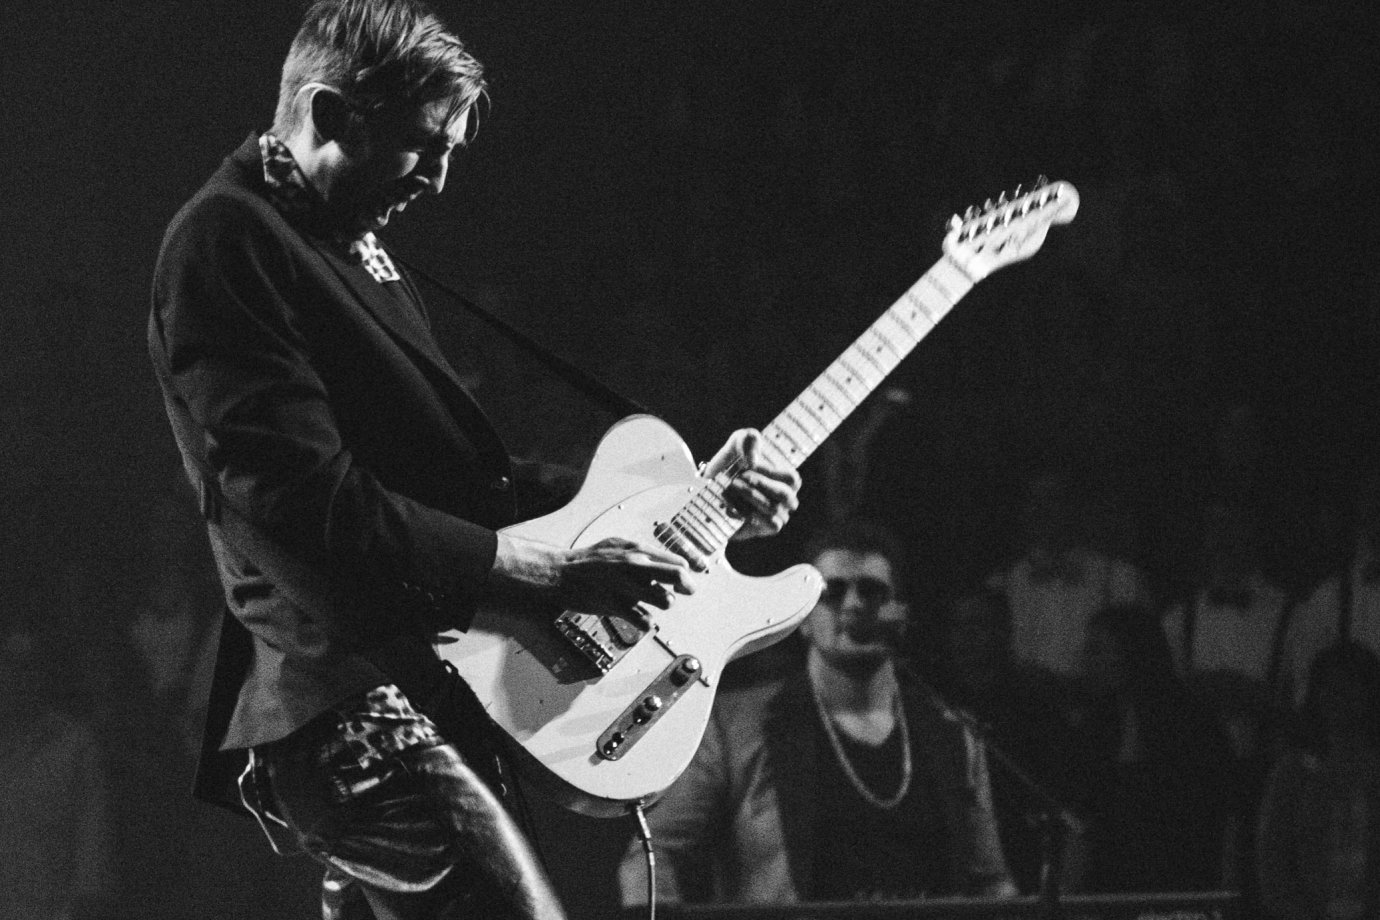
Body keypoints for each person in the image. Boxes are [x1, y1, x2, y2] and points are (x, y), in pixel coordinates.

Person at [146, 2, 801, 918]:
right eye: (424, 144)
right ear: (331, 115)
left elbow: (464, 486)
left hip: (417, 687)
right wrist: (545, 574)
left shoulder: (347, 246)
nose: (441, 177)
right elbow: (301, 500)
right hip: (346, 698)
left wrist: (690, 501)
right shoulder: (230, 239)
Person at [617, 520, 1017, 905]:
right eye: (833, 592)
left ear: (901, 612)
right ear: (804, 619)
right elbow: (654, 856)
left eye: (873, 591)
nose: (855, 604)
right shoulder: (736, 726)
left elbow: (991, 881)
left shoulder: (951, 731)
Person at [1067, 603, 1235, 893]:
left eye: (1097, 649)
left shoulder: (1191, 723)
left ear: (1132, 654)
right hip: (1111, 888)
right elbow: (1083, 815)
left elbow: (1224, 809)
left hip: (1180, 884)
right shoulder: (1096, 726)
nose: (1083, 660)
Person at [1256, 641, 1380, 920]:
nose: (1336, 694)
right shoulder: (1293, 773)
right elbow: (1273, 866)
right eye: (1327, 685)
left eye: (1348, 684)